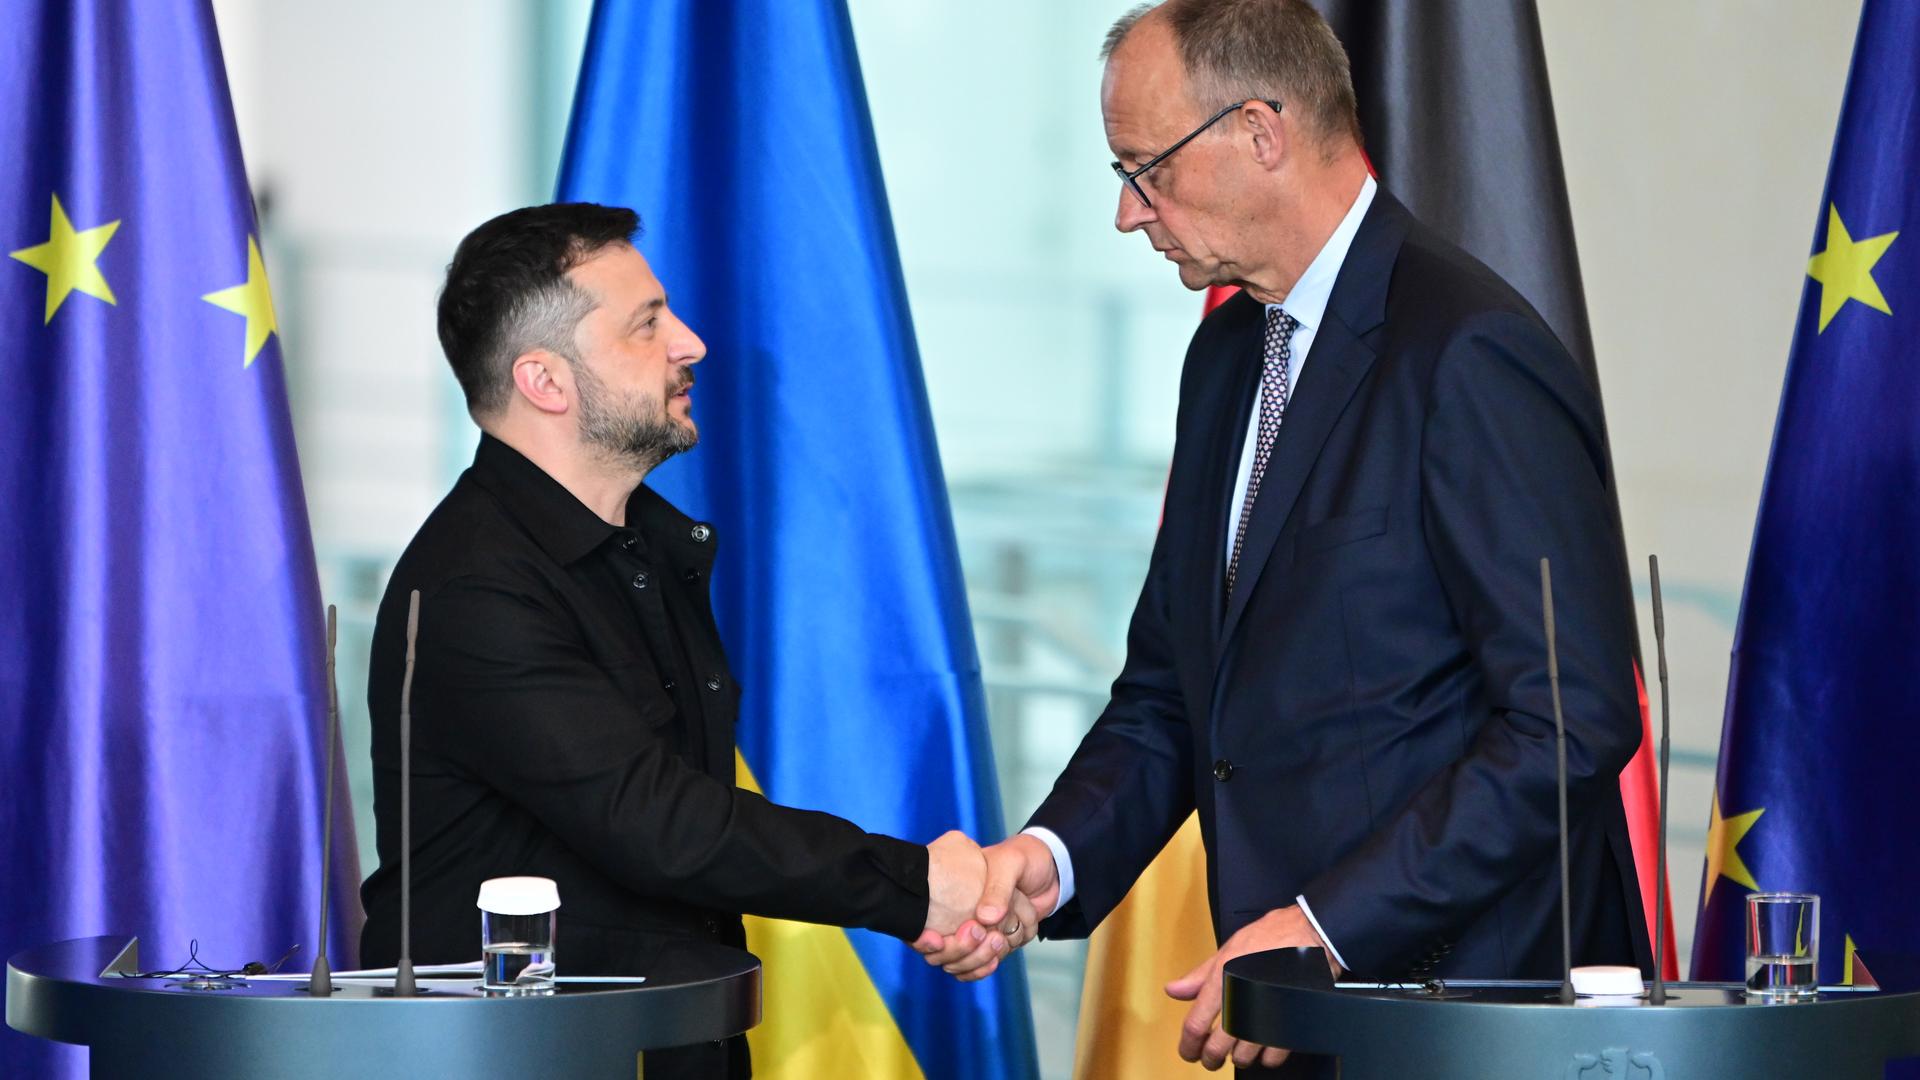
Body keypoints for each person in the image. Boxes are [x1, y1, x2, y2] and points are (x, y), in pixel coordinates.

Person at [919, 0, 1651, 1073]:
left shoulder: (1467, 350)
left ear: (1262, 132)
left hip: (1471, 1015)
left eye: (1145, 169)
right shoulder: (1225, 361)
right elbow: (1175, 691)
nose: (1129, 214)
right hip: (1295, 1011)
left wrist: (1326, 923)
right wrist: (1051, 858)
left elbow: (1568, 721)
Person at [358, 203, 1022, 1079]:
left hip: (664, 1036)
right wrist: (919, 885)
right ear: (545, 381)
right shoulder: (475, 586)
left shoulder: (645, 549)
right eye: (648, 324)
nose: (692, 342)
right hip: (530, 1056)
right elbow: (660, 823)